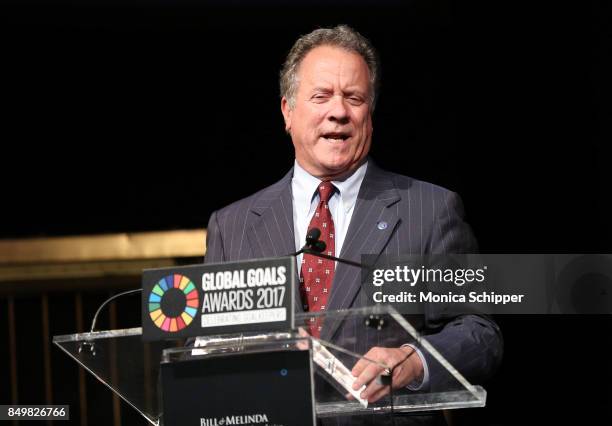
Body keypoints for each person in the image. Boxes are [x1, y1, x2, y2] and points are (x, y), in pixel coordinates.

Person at [204, 25, 502, 423]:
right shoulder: (232, 226)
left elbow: (480, 332)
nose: (339, 111)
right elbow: (208, 350)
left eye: (354, 98)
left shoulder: (430, 210)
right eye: (321, 96)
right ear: (287, 112)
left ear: (370, 115)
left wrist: (414, 361)